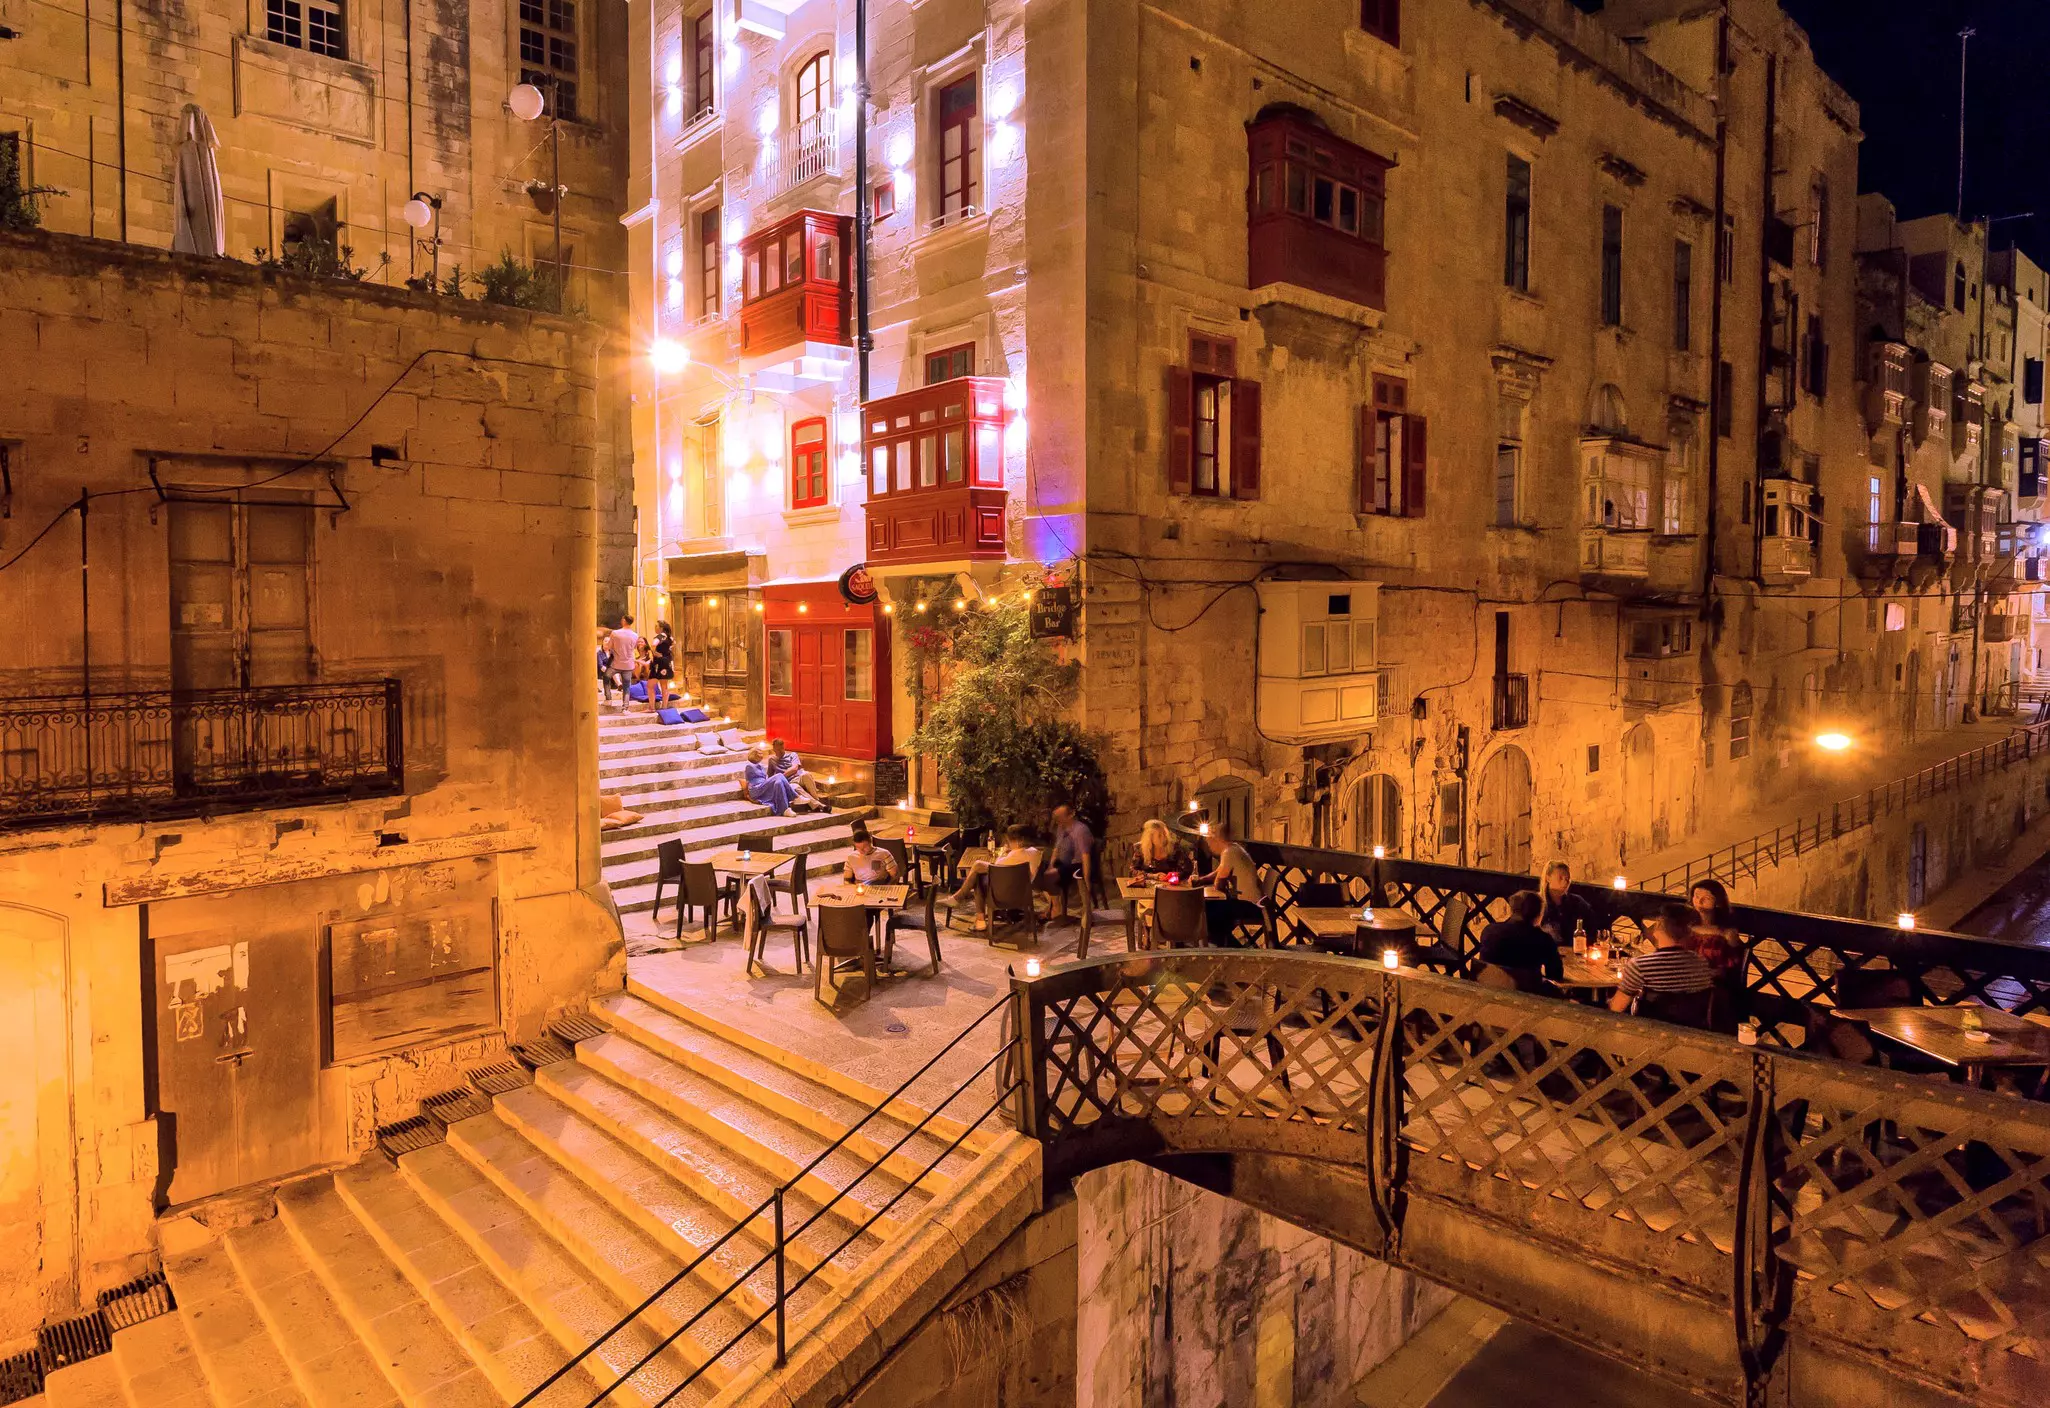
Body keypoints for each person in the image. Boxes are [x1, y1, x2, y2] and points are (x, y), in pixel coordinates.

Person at [1609, 904, 1717, 1017]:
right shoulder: (1702, 963)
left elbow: (1617, 1008)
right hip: (1692, 1030)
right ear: (1689, 933)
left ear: (1658, 928)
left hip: (1649, 1030)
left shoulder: (1640, 965)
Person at [949, 824, 1041, 929]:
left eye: (1009, 841)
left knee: (978, 875)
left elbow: (996, 865)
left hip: (1001, 897)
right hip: (1023, 894)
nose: (1008, 843)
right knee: (979, 873)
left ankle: (977, 917)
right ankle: (960, 899)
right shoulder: (1035, 853)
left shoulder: (1010, 858)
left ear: (1018, 841)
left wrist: (1004, 853)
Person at [1196, 822, 1265, 946]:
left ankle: (1233, 949)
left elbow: (1218, 882)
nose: (1210, 847)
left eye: (1209, 842)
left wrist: (1212, 884)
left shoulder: (1229, 852)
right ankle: (1226, 946)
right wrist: (1201, 880)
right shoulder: (1234, 848)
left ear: (1216, 840)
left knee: (1208, 912)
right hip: (1254, 902)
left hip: (1250, 905)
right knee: (1211, 910)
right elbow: (1218, 872)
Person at [1477, 890, 1563, 988]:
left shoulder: (1489, 931)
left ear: (1512, 910)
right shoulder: (1542, 939)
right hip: (1527, 997)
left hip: (1488, 992)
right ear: (1539, 915)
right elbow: (1556, 974)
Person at [1040, 804, 1095, 921]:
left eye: (1060, 817)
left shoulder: (1080, 830)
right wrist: (1050, 865)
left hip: (1077, 864)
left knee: (1051, 876)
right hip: (1065, 861)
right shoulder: (1061, 828)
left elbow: (1085, 855)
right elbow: (1057, 848)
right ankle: (1054, 905)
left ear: (1071, 815)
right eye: (1056, 818)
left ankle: (1056, 908)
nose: (1058, 820)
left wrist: (1087, 879)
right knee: (1039, 870)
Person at [1536, 861, 1598, 950]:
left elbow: (1592, 926)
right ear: (1548, 878)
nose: (1565, 882)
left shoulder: (1578, 903)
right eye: (1560, 878)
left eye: (1567, 879)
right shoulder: (1537, 902)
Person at [742, 746, 799, 817]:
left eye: (761, 753)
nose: (761, 755)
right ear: (754, 755)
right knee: (779, 775)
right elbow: (747, 781)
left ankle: (785, 809)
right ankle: (795, 797)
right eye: (759, 754)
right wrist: (747, 795)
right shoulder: (749, 766)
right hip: (756, 789)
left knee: (778, 783)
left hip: (763, 786)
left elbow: (766, 778)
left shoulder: (761, 766)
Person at [767, 739, 822, 811]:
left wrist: (780, 776)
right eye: (778, 749)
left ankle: (816, 800)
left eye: (782, 748)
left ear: (784, 747)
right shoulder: (772, 760)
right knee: (795, 787)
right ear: (774, 749)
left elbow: (794, 769)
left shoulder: (792, 755)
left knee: (807, 774)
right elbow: (770, 776)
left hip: (798, 777)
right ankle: (820, 806)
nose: (780, 751)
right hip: (788, 781)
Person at [606, 614, 642, 707]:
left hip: (616, 663)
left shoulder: (615, 633)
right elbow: (634, 648)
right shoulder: (635, 635)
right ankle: (625, 707)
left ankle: (608, 699)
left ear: (624, 621)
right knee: (626, 686)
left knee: (606, 677)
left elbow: (609, 646)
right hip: (628, 664)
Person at [647, 620, 675, 709]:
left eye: (656, 626)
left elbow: (653, 644)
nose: (655, 627)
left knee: (650, 685)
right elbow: (673, 644)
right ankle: (664, 707)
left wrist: (654, 652)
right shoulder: (669, 637)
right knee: (664, 686)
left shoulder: (660, 636)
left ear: (661, 627)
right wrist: (667, 652)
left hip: (658, 663)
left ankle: (652, 708)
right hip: (666, 662)